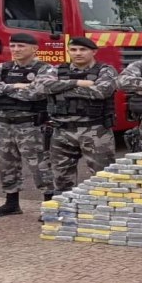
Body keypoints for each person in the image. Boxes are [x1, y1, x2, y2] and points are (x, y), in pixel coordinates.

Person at [41, 37, 117, 193]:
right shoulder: (56, 70)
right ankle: (63, 212)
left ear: (94, 52)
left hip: (95, 130)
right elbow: (42, 87)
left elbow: (102, 91)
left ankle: (102, 213)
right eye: (73, 50)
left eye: (83, 50)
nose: (78, 53)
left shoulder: (105, 70)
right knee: (61, 178)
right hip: (61, 130)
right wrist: (77, 83)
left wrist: (61, 88)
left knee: (104, 176)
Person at [0, 33, 54, 218]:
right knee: (6, 164)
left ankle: (50, 205)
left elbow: (36, 93)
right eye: (14, 46)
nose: (16, 50)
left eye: (21, 46)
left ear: (34, 49)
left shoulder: (45, 69)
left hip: (30, 124)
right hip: (4, 123)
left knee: (40, 165)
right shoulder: (2, 68)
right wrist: (18, 86)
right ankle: (11, 204)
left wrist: (5, 89)